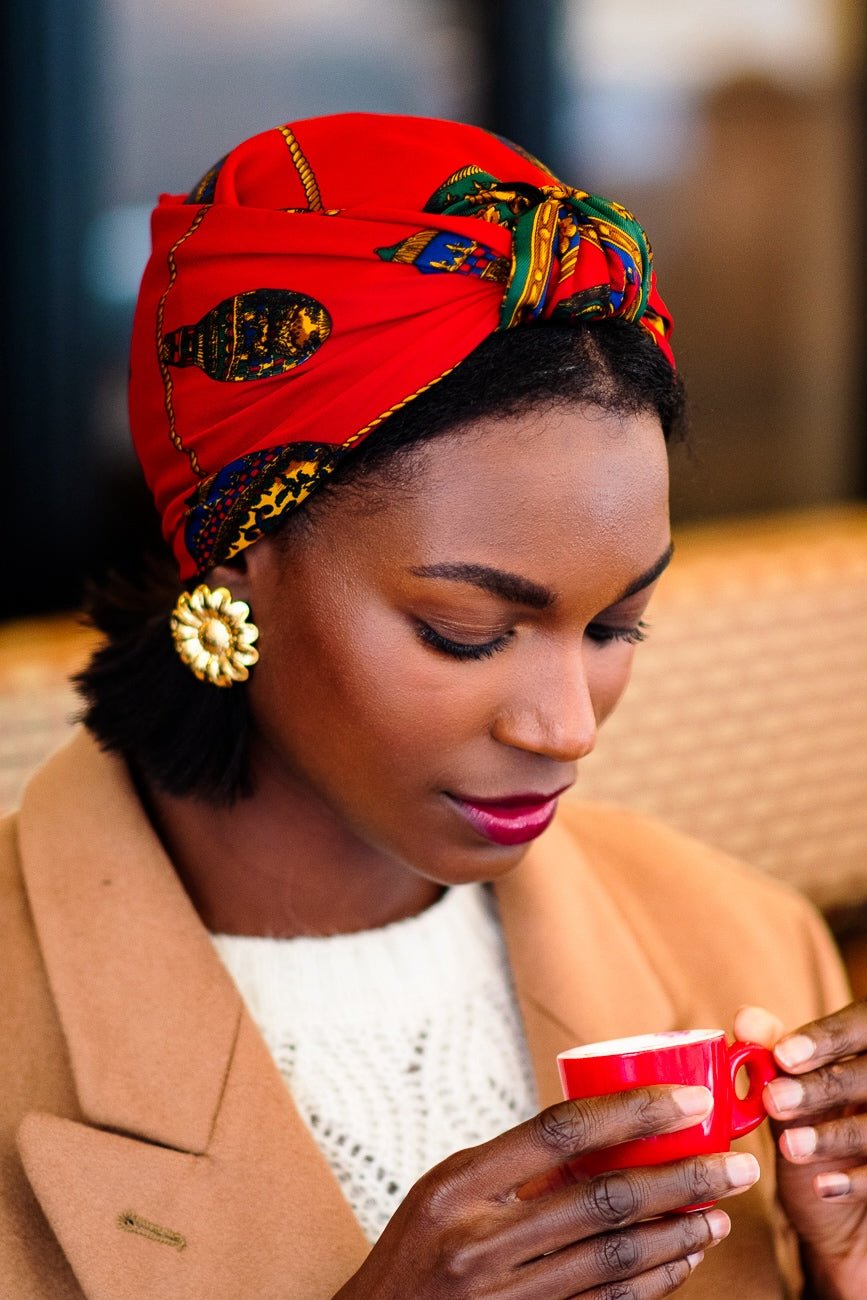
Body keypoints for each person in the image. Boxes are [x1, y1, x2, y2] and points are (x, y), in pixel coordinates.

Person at [0, 112, 864, 1299]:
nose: (567, 727)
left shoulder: (740, 940)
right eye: (468, 632)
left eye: (617, 625)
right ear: (236, 551)